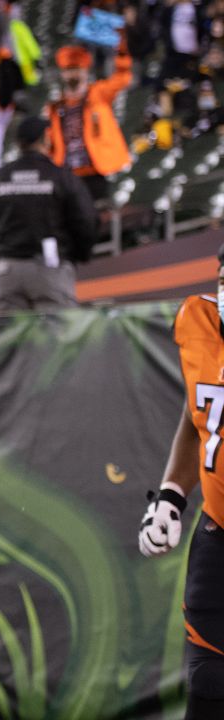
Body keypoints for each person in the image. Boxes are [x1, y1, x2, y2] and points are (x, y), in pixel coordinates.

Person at [139, 256, 224, 718]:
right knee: (208, 684)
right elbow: (201, 414)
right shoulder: (201, 320)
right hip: (218, 534)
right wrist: (172, 493)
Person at [0, 116, 97, 311]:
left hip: (7, 269)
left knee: (8, 336)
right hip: (51, 267)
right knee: (56, 335)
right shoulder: (61, 177)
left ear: (18, 143)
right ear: (46, 138)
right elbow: (86, 222)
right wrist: (76, 255)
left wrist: (2, 253)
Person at [48, 40, 132, 201]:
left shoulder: (98, 94)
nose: (73, 74)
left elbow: (122, 78)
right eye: (68, 70)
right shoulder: (56, 107)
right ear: (62, 73)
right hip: (67, 175)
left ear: (85, 71)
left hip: (95, 171)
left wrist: (122, 51)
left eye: (76, 69)